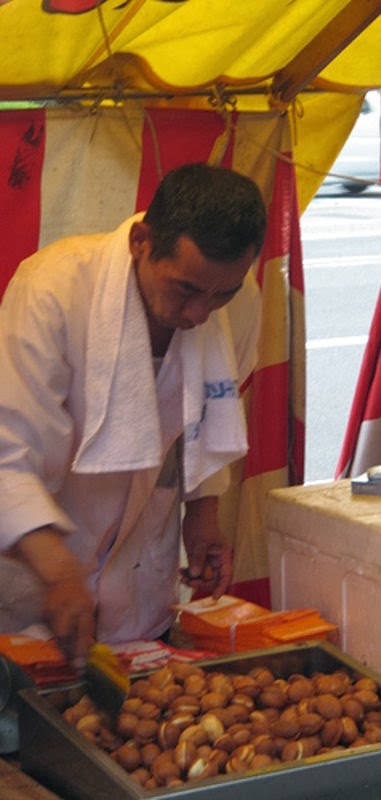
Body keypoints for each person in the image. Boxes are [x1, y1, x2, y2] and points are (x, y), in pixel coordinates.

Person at [0, 162, 267, 663]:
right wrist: (61, 574)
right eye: (185, 289)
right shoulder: (51, 292)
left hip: (142, 584)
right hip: (32, 588)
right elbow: (5, 456)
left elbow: (203, 418)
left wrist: (203, 514)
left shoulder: (240, 299)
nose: (199, 315)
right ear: (141, 241)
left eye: (221, 294)